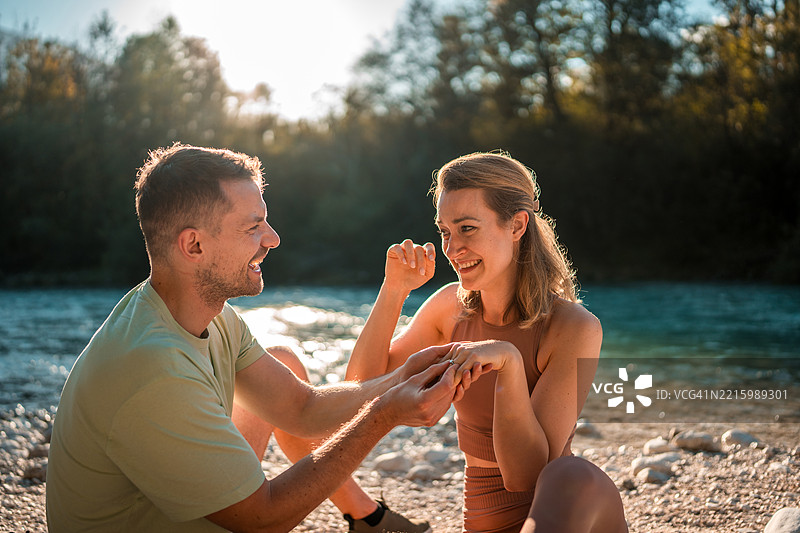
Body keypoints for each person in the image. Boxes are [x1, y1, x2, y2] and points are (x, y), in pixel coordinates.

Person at [46, 143, 488, 532]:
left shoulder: (208, 316)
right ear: (193, 246)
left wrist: (402, 378)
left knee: (284, 360)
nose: (273, 239)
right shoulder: (153, 369)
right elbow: (264, 519)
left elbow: (302, 408)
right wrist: (384, 414)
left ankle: (366, 519)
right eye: (252, 227)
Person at [345, 152, 628, 532]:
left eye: (467, 228)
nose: (452, 247)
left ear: (516, 225)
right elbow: (360, 390)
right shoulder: (450, 308)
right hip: (483, 520)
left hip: (564, 516)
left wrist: (509, 363)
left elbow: (525, 476)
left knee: (572, 473)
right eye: (445, 231)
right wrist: (394, 290)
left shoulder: (573, 327)